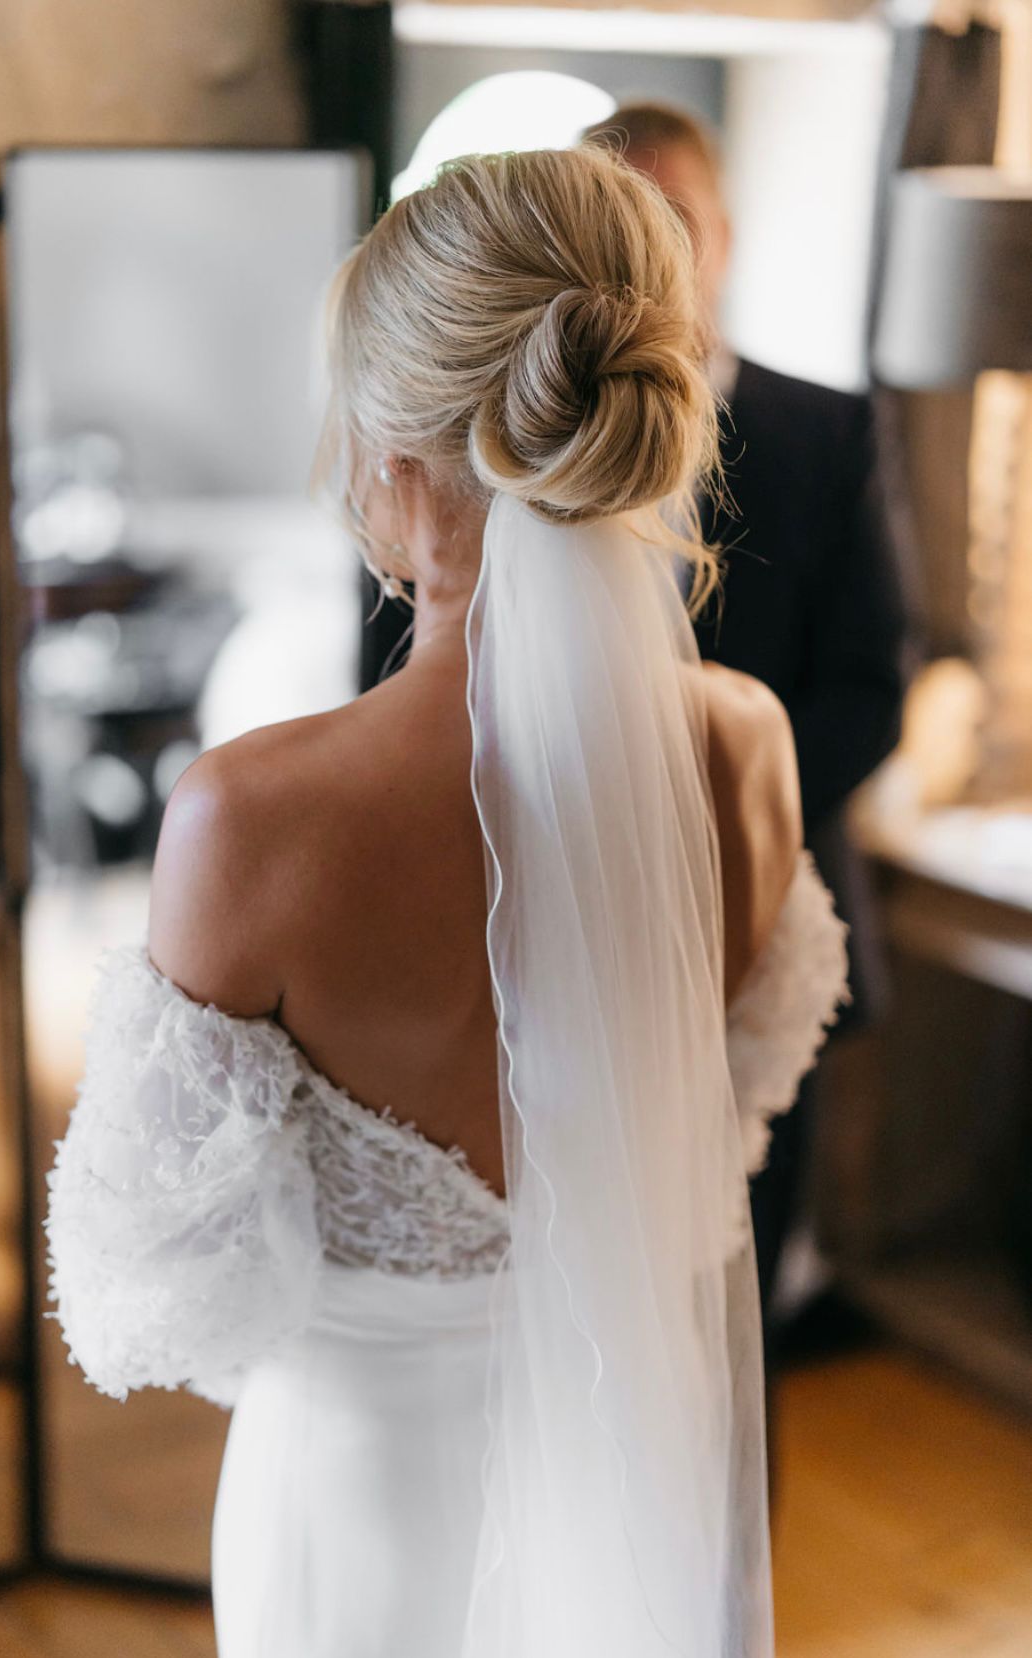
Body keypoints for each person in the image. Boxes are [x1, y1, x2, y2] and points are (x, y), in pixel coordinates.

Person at [46, 147, 848, 1657]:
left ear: (396, 470)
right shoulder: (747, 749)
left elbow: (162, 1292)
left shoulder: (249, 821)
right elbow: (715, 1120)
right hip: (640, 1469)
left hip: (358, 1508)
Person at [583, 102, 910, 1344]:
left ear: (724, 235)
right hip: (576, 933)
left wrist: (715, 832)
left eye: (680, 225)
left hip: (763, 922)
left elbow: (871, 684)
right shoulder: (523, 434)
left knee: (736, 1310)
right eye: (627, 227)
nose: (659, 258)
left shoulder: (826, 432)